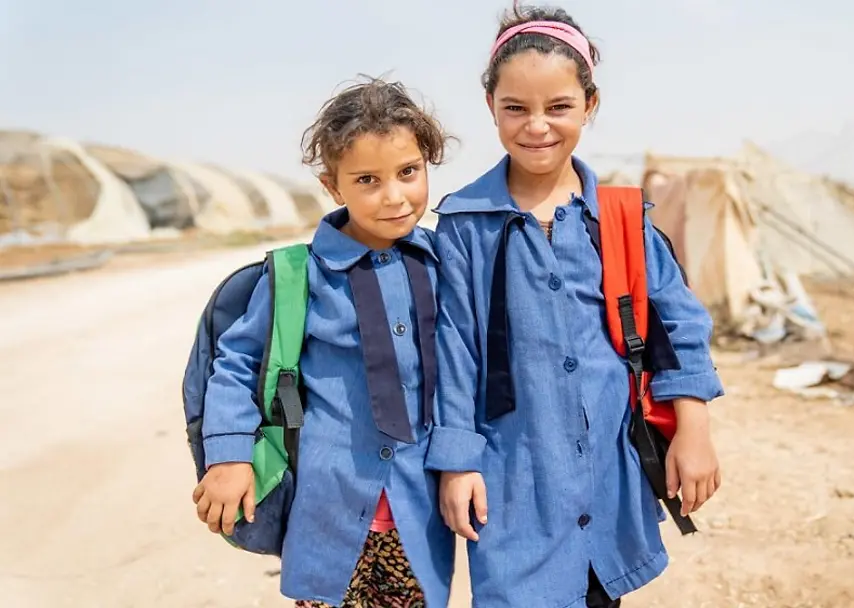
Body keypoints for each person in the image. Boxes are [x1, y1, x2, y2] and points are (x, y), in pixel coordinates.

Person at [425, 5, 724, 607]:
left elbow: (680, 328)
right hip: (515, 483)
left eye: (558, 107)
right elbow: (453, 353)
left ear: (589, 104)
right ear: (491, 108)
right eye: (516, 108)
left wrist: (694, 429)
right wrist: (456, 464)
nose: (537, 125)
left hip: (606, 480)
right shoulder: (463, 228)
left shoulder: (620, 219)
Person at [191, 77, 455, 607]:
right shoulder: (299, 277)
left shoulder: (444, 262)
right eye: (367, 180)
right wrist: (228, 457)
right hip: (327, 506)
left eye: (408, 172)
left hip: (418, 506)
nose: (394, 196)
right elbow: (237, 364)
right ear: (333, 186)